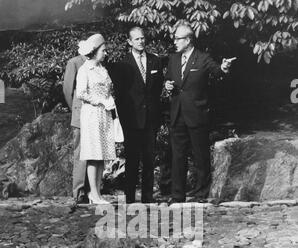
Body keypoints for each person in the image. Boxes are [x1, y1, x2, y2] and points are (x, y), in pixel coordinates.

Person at [165, 22, 235, 204]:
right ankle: (177, 196)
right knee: (177, 157)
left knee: (200, 156)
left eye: (178, 38)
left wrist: (224, 68)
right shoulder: (173, 58)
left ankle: (201, 195)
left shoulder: (202, 58)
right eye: (174, 38)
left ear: (188, 40)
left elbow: (217, 71)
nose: (175, 41)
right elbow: (169, 79)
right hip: (177, 114)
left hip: (197, 114)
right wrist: (167, 85)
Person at [113, 27, 164, 203]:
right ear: (129, 42)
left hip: (150, 118)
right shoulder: (123, 65)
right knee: (132, 160)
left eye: (143, 38)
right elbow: (120, 95)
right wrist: (124, 119)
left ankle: (148, 198)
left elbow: (157, 89)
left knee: (149, 159)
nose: (141, 42)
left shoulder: (155, 61)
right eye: (136, 39)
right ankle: (129, 198)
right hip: (132, 120)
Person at [76, 34, 117, 204]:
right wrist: (100, 100)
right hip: (92, 114)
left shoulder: (102, 68)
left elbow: (108, 89)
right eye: (103, 50)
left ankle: (97, 193)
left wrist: (109, 101)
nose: (105, 53)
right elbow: (81, 93)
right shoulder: (85, 69)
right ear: (94, 51)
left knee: (101, 154)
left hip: (104, 114)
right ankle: (93, 193)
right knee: (93, 154)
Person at [63, 45, 88, 204]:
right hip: (80, 113)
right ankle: (78, 192)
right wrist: (75, 109)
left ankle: (91, 190)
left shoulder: (95, 63)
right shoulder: (74, 62)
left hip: (92, 115)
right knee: (80, 153)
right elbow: (67, 89)